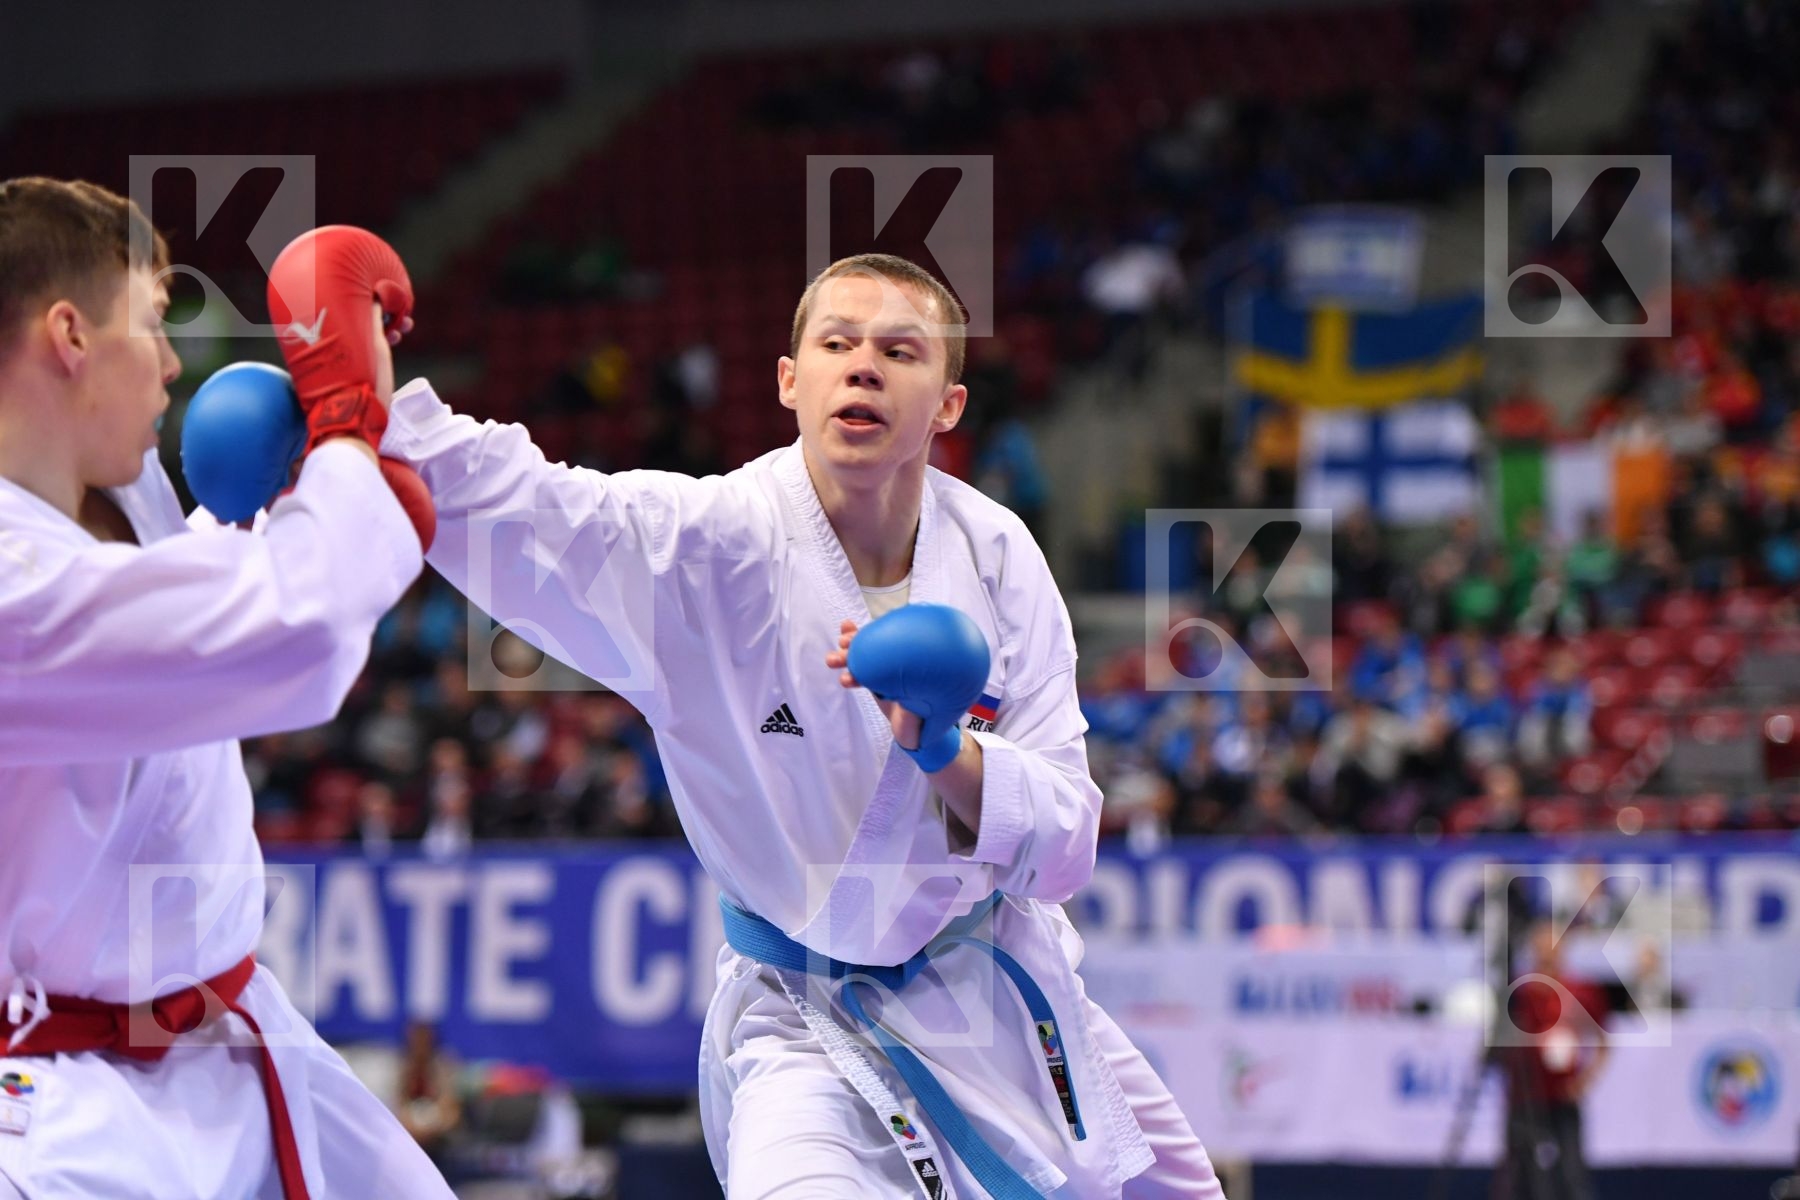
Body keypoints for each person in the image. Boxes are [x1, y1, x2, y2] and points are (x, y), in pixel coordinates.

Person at [377, 252, 1222, 1196]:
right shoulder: (705, 548)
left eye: (901, 351)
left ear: (947, 403)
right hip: (804, 1026)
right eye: (837, 343)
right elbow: (533, 507)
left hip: (992, 996)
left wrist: (948, 752)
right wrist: (363, 397)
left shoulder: (998, 556)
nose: (863, 366)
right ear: (790, 380)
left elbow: (1067, 847)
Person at [0, 179, 450, 1198]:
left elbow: (157, 637)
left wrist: (261, 507)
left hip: (245, 1045)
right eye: (153, 325)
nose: (170, 366)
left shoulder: (118, 493)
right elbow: (288, 638)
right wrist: (342, 430)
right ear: (69, 334)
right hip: (62, 1102)